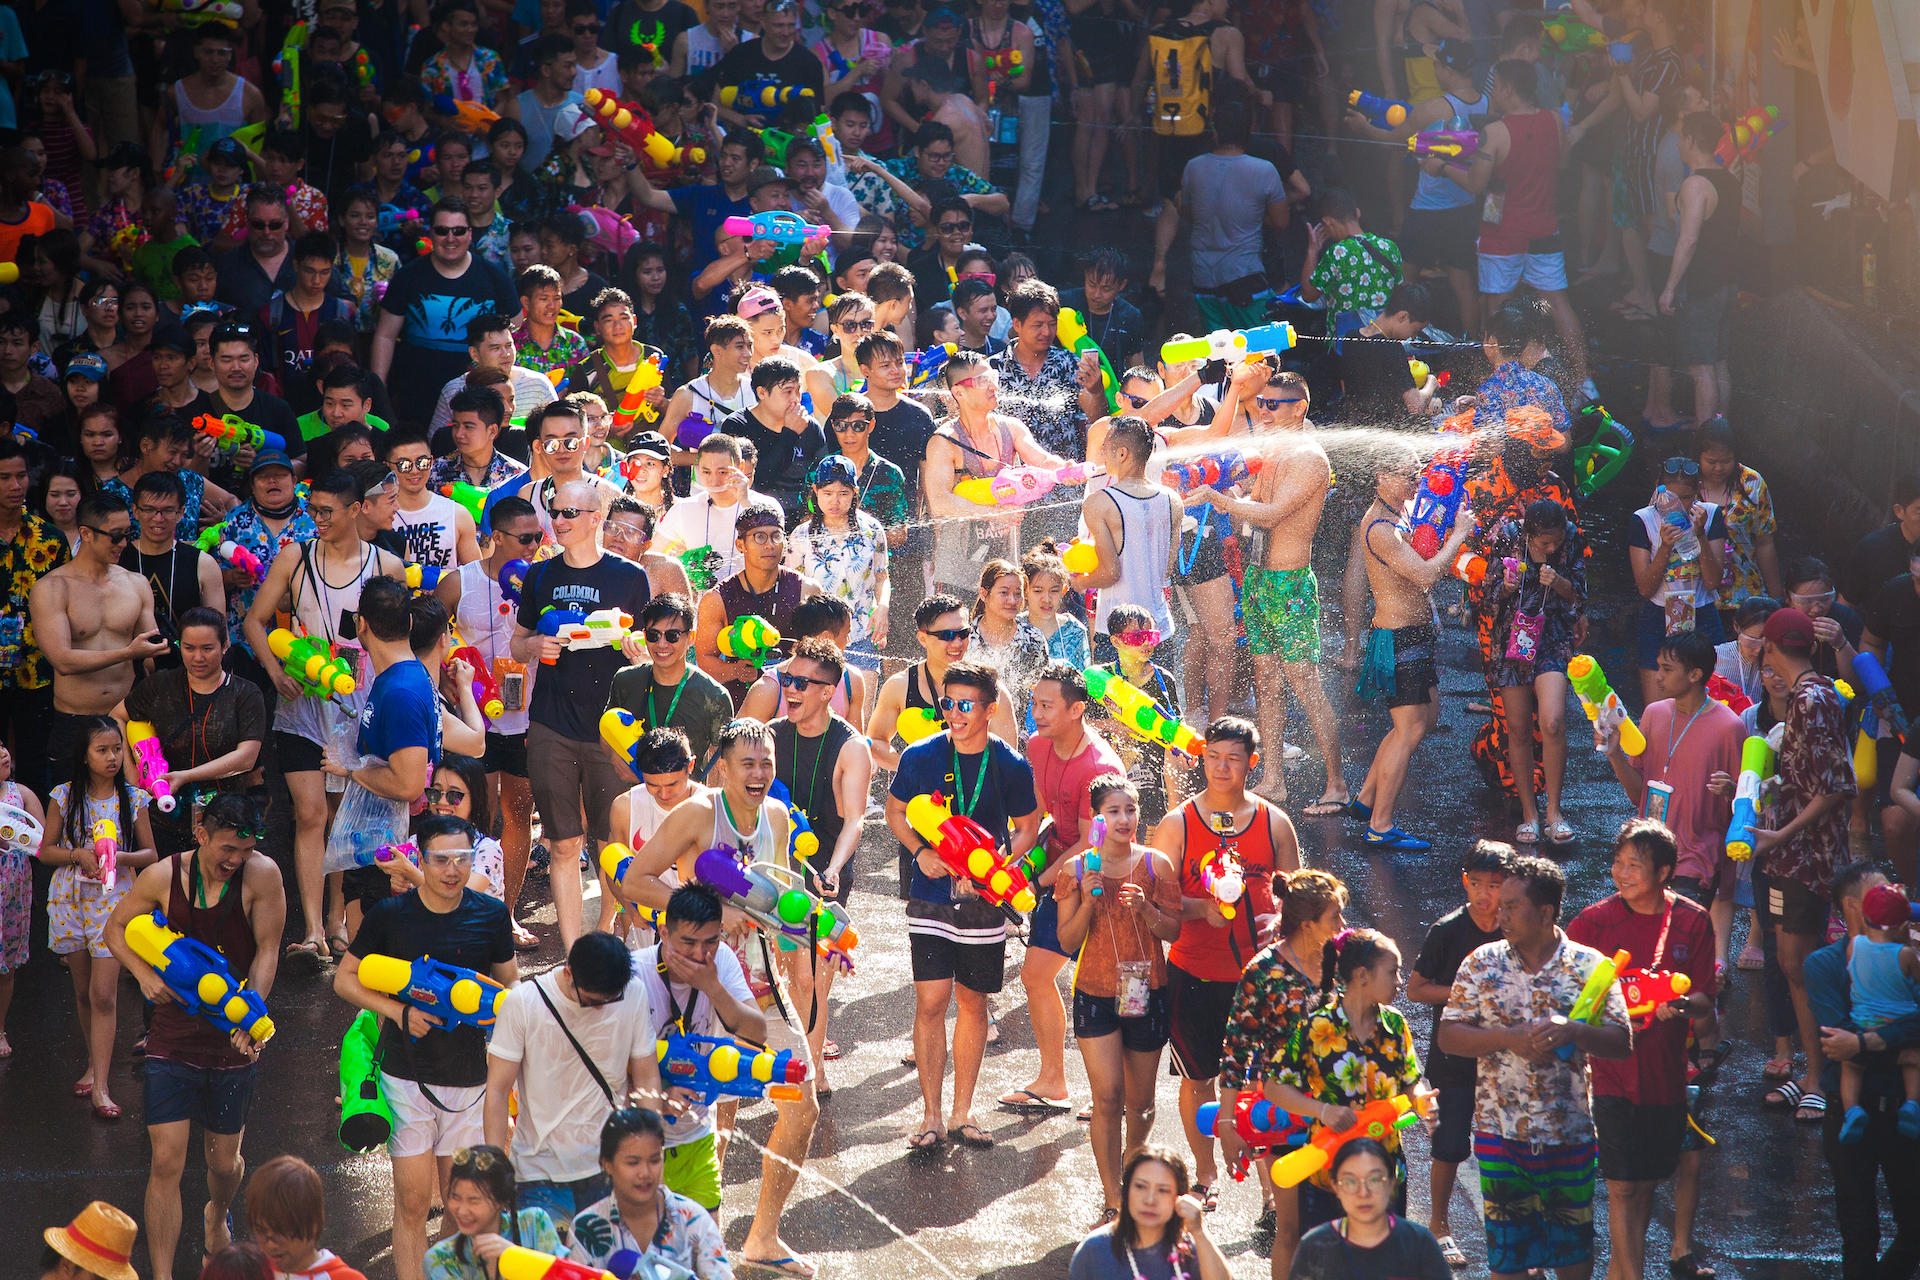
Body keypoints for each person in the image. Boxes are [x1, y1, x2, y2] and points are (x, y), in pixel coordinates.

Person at [602, 719, 821, 1275]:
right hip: (694, 978)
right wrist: (710, 915)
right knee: (714, 1115)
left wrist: (814, 941)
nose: (759, 773)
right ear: (720, 767)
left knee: (803, 1105)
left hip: (761, 984)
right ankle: (692, 1250)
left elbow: (782, 904)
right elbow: (635, 880)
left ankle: (763, 1237)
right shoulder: (698, 814)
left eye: (767, 762)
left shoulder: (776, 816)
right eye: (747, 763)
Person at [104, 793, 285, 1280]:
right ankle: (161, 1275)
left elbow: (268, 951)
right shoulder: (163, 875)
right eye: (227, 848)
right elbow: (115, 930)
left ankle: (215, 1211)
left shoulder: (263, 875)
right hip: (172, 1038)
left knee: (224, 1165)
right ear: (200, 833)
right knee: (166, 1161)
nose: (235, 860)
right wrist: (143, 975)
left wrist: (252, 1016)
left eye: (244, 850)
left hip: (231, 1039)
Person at [337, 814, 516, 1280]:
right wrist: (399, 1014)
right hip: (405, 1077)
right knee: (413, 1205)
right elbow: (344, 979)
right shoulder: (390, 916)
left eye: (462, 859)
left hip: (469, 1085)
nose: (452, 870)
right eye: (440, 860)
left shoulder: (491, 915)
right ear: (421, 858)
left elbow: (511, 994)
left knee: (461, 1213)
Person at [1437, 855, 1632, 1280]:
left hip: (1570, 1136)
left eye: (1511, 907)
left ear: (1546, 913)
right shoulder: (1480, 962)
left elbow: (1621, 1042)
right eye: (1499, 903)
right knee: (1508, 1262)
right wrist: (1508, 1038)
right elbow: (1449, 1035)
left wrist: (1574, 1031)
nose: (1497, 912)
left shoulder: (1590, 966)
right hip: (1499, 1136)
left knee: (1573, 1256)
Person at [242, 469, 405, 965]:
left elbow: (400, 638)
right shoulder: (295, 556)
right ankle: (312, 928)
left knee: (342, 815)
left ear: (357, 509)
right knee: (310, 812)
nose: (316, 520)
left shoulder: (387, 565)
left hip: (359, 702)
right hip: (302, 702)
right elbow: (254, 620)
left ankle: (338, 922)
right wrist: (275, 672)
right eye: (312, 510)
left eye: (327, 512)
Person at [886, 660, 1039, 1151]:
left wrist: (994, 871)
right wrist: (920, 852)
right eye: (946, 703)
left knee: (973, 1003)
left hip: (983, 906)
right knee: (931, 1002)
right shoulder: (920, 755)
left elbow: (1029, 828)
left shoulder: (1011, 764)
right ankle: (931, 1116)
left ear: (990, 710)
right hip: (930, 897)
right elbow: (894, 811)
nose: (953, 712)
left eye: (965, 705)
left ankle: (961, 1113)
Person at [1566, 820, 1720, 1280]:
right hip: (1609, 1074)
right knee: (1621, 1187)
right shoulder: (1593, 922)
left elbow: (1705, 999)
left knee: (1648, 1182)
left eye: (1635, 865)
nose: (1622, 873)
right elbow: (1568, 991)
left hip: (1666, 1074)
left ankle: (1618, 1271)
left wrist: (1679, 1004)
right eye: (1618, 862)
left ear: (1665, 872)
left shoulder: (1692, 920)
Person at [1187, 361, 1344, 811]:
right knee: (1266, 680)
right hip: (1257, 578)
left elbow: (1273, 515)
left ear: (1301, 408)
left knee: (1304, 683)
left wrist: (1222, 500)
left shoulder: (1310, 457)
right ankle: (1273, 779)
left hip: (1289, 583)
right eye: (1263, 404)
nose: (1266, 411)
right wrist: (1228, 495)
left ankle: (1337, 784)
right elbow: (1256, 505)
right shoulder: (1274, 452)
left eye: (1275, 405)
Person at [1150, 715, 1297, 1198]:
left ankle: (1270, 1190)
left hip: (1258, 981)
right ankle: (1206, 1173)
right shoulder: (1178, 824)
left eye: (1233, 758)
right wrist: (1200, 909)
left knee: (1265, 1084)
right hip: (1193, 974)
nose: (1220, 767)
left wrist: (1282, 922)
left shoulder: (1276, 822)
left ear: (1252, 763)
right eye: (1212, 756)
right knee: (1198, 1081)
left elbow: (1297, 896)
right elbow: (1157, 901)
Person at [509, 478, 651, 949]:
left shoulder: (629, 576)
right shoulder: (539, 574)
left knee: (610, 844)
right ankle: (573, 952)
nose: (560, 520)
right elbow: (517, 641)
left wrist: (639, 652)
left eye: (571, 512)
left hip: (612, 726)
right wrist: (533, 645)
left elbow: (654, 651)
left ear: (596, 519)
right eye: (556, 511)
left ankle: (609, 933)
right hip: (551, 720)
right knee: (564, 842)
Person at [994, 664, 1125, 1112]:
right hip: (1058, 872)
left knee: (1105, 985)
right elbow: (1040, 820)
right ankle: (1054, 1080)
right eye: (1033, 702)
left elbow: (1094, 844)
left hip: (1101, 877)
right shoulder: (1038, 744)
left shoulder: (1099, 766)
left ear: (1077, 710)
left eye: (1046, 706)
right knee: (1037, 975)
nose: (1035, 713)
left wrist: (1037, 880)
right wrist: (1007, 862)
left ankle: (1115, 1092)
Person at [1054, 774, 1183, 1221]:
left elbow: (1174, 930)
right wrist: (1088, 903)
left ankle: (1133, 1176)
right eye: (1114, 811)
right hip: (1095, 993)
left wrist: (1147, 909)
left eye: (1130, 809)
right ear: (1096, 819)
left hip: (1146, 992)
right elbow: (1066, 941)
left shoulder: (1156, 865)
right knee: (1107, 1097)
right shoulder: (1076, 871)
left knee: (1141, 1103)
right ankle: (1112, 1195)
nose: (1124, 819)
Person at [1214, 868, 1349, 1279]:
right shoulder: (1264, 971)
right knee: (1290, 1229)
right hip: (1285, 1115)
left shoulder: (1343, 961)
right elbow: (1237, 1051)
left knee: (1343, 1228)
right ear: (1307, 924)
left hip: (1342, 1112)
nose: (1343, 926)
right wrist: (1228, 1123)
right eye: (1335, 918)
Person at [1750, 607, 1856, 1122]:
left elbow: (1834, 787)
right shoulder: (1809, 697)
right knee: (1791, 962)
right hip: (1788, 855)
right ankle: (1811, 1071)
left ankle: (1819, 1076)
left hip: (1805, 857)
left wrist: (1780, 833)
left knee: (1801, 963)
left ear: (1770, 648)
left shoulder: (1813, 700)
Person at [1339, 448, 1474, 847]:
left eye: (1417, 474)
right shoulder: (1380, 528)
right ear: (1380, 476)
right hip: (1397, 640)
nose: (1415, 483)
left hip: (1414, 637)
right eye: (1404, 475)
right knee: (1409, 729)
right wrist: (1460, 534)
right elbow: (1427, 574)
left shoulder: (1399, 514)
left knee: (1424, 721)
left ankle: (1365, 799)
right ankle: (1380, 826)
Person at [483, 932, 659, 1227]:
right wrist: (492, 1167)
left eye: (611, 999)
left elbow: (646, 1075)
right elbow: (498, 1091)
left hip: (610, 1169)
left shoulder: (633, 992)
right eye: (592, 1001)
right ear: (568, 973)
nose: (602, 1007)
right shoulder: (524, 1003)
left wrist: (650, 1151)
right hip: (538, 1176)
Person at [1604, 631, 1745, 989]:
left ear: (1695, 675)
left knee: (1677, 948)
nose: (1657, 676)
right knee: (1646, 946)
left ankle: (1700, 1025)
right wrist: (1614, 754)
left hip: (1698, 856)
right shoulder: (1653, 714)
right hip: (1647, 850)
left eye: (1667, 669)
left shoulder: (1729, 727)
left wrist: (1731, 791)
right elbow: (1639, 791)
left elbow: (1744, 804)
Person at [1805, 862, 1920, 1280]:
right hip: (1850, 1110)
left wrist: (1865, 1045)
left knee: (1915, 1230)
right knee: (1858, 1234)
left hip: (1903, 1116)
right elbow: (1836, 1036)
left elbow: (1854, 1041)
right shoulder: (1823, 964)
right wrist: (1905, 1054)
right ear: (1854, 907)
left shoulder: (1910, 954)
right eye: (1884, 891)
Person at [41, 715, 157, 1120]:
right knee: (82, 991)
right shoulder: (63, 795)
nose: (112, 757)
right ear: (85, 755)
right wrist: (79, 854)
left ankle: (102, 1087)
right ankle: (93, 1063)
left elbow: (150, 856)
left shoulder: (133, 797)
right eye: (103, 750)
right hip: (70, 899)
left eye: (117, 749)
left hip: (114, 901)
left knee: (103, 995)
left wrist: (116, 857)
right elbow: (45, 850)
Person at [768, 637, 872, 1082]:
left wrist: (832, 868)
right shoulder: (771, 736)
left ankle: (811, 1076)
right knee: (778, 973)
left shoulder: (851, 747)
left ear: (828, 692)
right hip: (772, 870)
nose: (789, 689)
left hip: (823, 873)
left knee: (811, 978)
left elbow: (854, 820)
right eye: (786, 679)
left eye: (801, 683)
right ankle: (786, 1061)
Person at [627, 882, 766, 1209]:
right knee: (651, 1252)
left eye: (711, 941)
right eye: (687, 942)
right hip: (637, 1142)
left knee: (708, 1253)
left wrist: (714, 988)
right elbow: (606, 1066)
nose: (699, 954)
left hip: (697, 1138)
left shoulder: (722, 962)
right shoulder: (633, 973)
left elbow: (757, 1033)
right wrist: (658, 1096)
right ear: (663, 931)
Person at [1407, 842, 1512, 1264]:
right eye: (1476, 883)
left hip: (1506, 1058)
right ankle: (1439, 1225)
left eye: (1495, 885)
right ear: (1464, 881)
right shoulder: (1447, 931)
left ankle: (1508, 1229)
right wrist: (1466, 993)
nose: (1484, 894)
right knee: (1449, 1144)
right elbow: (1416, 989)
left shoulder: (1516, 927)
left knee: (1505, 1146)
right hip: (1452, 1056)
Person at [30, 493, 168, 789]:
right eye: (116, 537)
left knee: (133, 811)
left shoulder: (136, 583)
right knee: (73, 816)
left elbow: (151, 655)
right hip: (75, 719)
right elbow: (63, 661)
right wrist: (128, 652)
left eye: (128, 535)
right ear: (86, 534)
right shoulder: (52, 588)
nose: (123, 544)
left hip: (127, 717)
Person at [114, 606, 267, 856]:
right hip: (163, 816)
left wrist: (186, 776)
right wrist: (131, 772)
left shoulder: (245, 693)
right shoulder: (161, 685)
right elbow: (117, 717)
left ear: (224, 645)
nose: (198, 657)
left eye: (207, 648)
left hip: (224, 818)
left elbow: (247, 757)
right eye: (189, 648)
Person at [1483, 498, 1587, 845]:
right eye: (1545, 542)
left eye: (1556, 540)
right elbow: (1488, 594)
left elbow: (1579, 596)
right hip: (1512, 639)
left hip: (1552, 637)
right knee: (1518, 728)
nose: (1552, 546)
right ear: (1529, 534)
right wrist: (1507, 587)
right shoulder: (1506, 537)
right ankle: (1530, 813)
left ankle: (1554, 812)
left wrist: (1557, 581)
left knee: (1553, 721)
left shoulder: (1571, 538)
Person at [372, 197, 520, 426]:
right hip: (414, 400)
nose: (450, 238)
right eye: (442, 230)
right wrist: (379, 392)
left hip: (479, 403)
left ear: (470, 233)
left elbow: (518, 334)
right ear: (430, 233)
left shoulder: (495, 278)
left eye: (458, 230)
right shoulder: (407, 276)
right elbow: (385, 336)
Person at [567, 1109, 733, 1278]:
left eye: (654, 1160)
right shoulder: (584, 1229)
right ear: (608, 1164)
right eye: (633, 1163)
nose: (645, 1173)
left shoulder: (695, 1221)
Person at [1658, 113, 1742, 424]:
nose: (1678, 143)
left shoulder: (1696, 184)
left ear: (1691, 140)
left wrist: (1669, 286)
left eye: (1681, 137)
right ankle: (1720, 436)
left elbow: (1689, 239)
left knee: (1701, 369)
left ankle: (1705, 443)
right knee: (1718, 363)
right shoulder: (1730, 180)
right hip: (1726, 283)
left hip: (1702, 286)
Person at [695, 500, 821, 708]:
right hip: (741, 705)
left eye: (776, 536)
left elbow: (821, 654)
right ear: (741, 545)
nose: (770, 544)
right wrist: (736, 670)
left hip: (796, 702)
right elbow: (705, 659)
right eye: (760, 537)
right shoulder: (717, 599)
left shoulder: (806, 590)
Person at [607, 593, 736, 778]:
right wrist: (614, 756)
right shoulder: (626, 681)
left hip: (688, 803)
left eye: (672, 636)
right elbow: (606, 733)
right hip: (637, 798)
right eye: (653, 635)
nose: (662, 644)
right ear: (644, 636)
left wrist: (709, 805)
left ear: (691, 638)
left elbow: (722, 766)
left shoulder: (714, 696)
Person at [1287, 1138, 1454, 1280]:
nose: (1363, 1193)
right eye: (1350, 1182)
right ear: (1335, 1187)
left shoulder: (1420, 1244)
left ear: (1391, 1182)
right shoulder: (1314, 1246)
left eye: (1374, 1180)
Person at [1066, 1145, 1232, 1280]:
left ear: (1179, 1197)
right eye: (1140, 1186)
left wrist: (1199, 1231)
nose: (1150, 1200)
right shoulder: (1095, 1249)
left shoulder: (1191, 1248)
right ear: (1127, 1191)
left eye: (1163, 1190)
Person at [121, 473, 225, 672]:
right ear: (135, 511)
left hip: (188, 671)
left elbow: (218, 632)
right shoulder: (118, 559)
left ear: (181, 513)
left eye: (167, 511)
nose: (158, 519)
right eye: (149, 510)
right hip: (127, 672)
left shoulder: (202, 563)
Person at [425, 1145, 563, 1280]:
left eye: (474, 1201)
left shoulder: (535, 1223)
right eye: (455, 1197)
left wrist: (516, 1257)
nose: (462, 1210)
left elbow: (569, 1275)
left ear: (501, 1200)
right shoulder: (440, 1258)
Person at [1695, 417, 1782, 628]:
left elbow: (1764, 542)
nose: (1719, 468)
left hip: (1744, 594)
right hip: (1696, 596)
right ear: (1697, 456)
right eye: (1711, 461)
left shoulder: (1752, 483)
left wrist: (1776, 598)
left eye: (1726, 461)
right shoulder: (1684, 484)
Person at [243, 1154, 369, 1280]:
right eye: (261, 1231)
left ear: (313, 1224)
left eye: (282, 1232)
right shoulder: (249, 1272)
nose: (271, 1245)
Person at [388, 429, 483, 569]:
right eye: (404, 465)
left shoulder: (457, 514)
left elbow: (475, 577)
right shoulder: (378, 517)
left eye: (422, 462)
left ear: (431, 462)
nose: (415, 470)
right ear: (388, 466)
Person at [214, 188, 299, 322]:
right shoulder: (225, 265)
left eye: (275, 225)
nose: (266, 232)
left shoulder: (308, 260)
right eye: (258, 224)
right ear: (247, 222)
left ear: (286, 222)